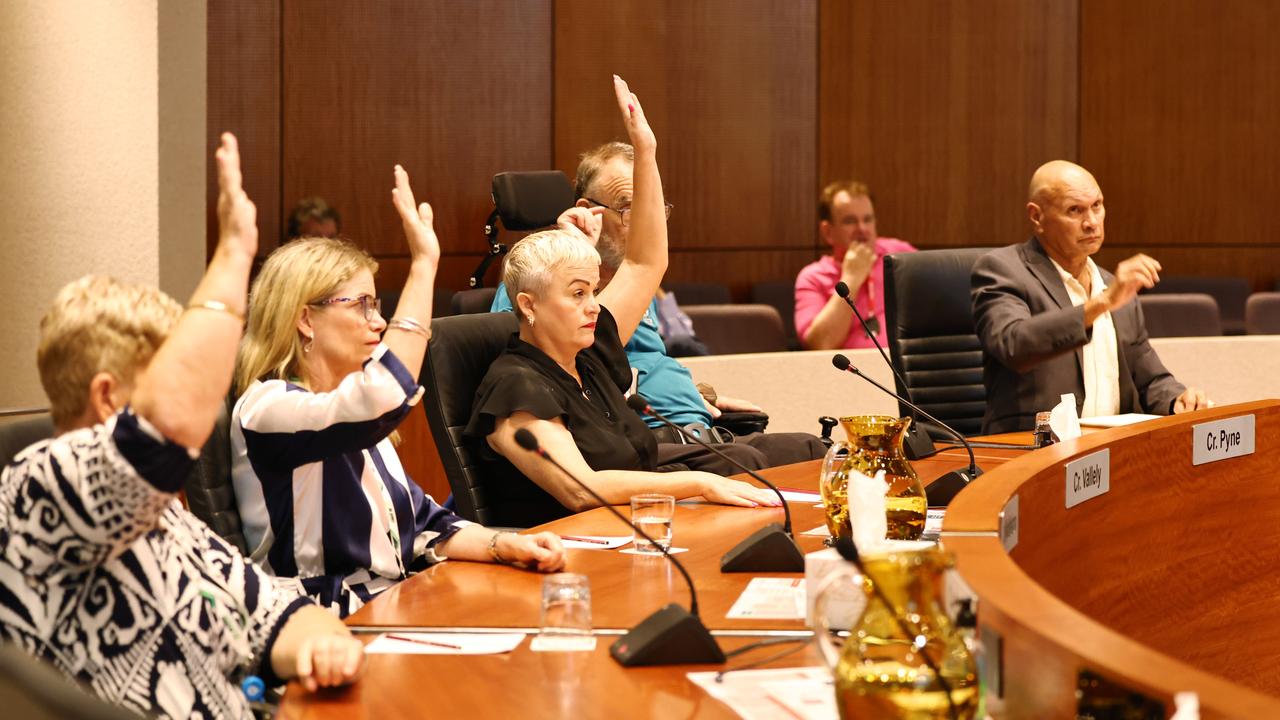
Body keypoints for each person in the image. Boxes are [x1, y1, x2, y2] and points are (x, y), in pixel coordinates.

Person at [0, 134, 364, 719]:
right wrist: (234, 255)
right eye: (176, 373)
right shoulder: (39, 481)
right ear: (108, 396)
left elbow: (273, 612)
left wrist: (319, 644)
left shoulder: (166, 514)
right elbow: (167, 426)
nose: (205, 399)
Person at [232, 164, 564, 618]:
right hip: (321, 624)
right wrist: (424, 266)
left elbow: (423, 526)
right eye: (361, 305)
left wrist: (505, 544)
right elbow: (379, 398)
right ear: (306, 319)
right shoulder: (269, 408)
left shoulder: (353, 411)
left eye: (378, 304)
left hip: (394, 604)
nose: (378, 321)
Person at [465, 76, 782, 527]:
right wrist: (697, 483)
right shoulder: (516, 386)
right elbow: (577, 489)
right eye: (578, 294)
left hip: (641, 522)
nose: (594, 305)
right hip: (582, 546)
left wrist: (646, 151)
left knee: (799, 457)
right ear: (529, 306)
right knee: (739, 474)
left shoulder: (589, 358)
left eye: (592, 292)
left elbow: (645, 264)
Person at [490, 143, 824, 474]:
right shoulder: (535, 287)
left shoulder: (635, 285)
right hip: (640, 442)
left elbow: (647, 361)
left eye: (651, 209)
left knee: (812, 448)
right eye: (627, 208)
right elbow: (544, 372)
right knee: (749, 464)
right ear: (589, 210)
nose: (643, 225)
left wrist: (698, 392)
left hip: (702, 430)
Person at [971, 160, 1210, 433]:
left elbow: (1149, 378)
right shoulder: (1002, 270)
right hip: (1030, 454)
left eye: (1097, 205)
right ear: (1037, 217)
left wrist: (1176, 399)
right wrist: (1103, 303)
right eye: (1075, 210)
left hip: (1111, 453)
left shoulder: (1113, 285)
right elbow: (1014, 344)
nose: (1092, 222)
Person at [795, 180, 917, 350]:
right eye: (850, 221)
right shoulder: (813, 277)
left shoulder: (900, 254)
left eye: (868, 219)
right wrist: (851, 278)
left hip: (905, 367)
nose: (862, 228)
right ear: (828, 232)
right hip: (849, 373)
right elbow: (820, 344)